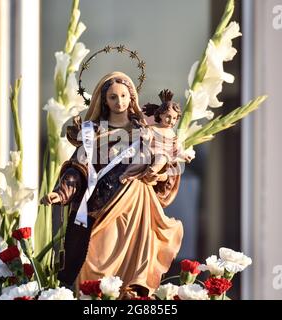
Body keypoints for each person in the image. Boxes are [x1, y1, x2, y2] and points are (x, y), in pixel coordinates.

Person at [41, 71, 183, 298]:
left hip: (137, 207)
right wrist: (62, 192)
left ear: (132, 98)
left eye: (124, 96)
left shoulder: (145, 132)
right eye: (113, 97)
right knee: (95, 259)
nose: (120, 102)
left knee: (132, 270)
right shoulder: (92, 133)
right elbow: (78, 169)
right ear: (104, 100)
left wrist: (161, 171)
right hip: (102, 207)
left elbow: (168, 162)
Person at [119, 89, 193, 185]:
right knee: (141, 159)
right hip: (149, 152)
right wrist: (145, 136)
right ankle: (127, 174)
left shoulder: (172, 134)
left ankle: (151, 173)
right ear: (161, 114)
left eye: (174, 118)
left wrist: (184, 155)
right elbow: (146, 136)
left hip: (162, 155)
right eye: (168, 116)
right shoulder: (153, 128)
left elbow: (177, 148)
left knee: (162, 158)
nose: (171, 120)